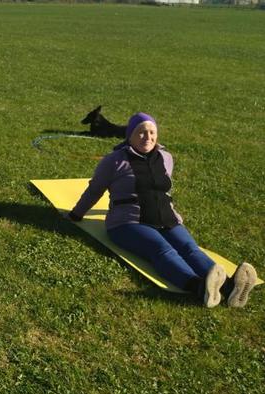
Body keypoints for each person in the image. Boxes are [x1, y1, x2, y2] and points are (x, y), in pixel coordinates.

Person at [67, 112, 257, 308]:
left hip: (167, 218)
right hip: (128, 222)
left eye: (152, 132)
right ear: (129, 135)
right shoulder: (114, 161)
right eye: (141, 133)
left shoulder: (165, 157)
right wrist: (77, 213)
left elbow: (162, 191)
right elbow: (95, 189)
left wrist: (172, 215)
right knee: (163, 250)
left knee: (190, 249)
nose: (147, 137)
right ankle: (199, 288)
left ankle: (228, 288)